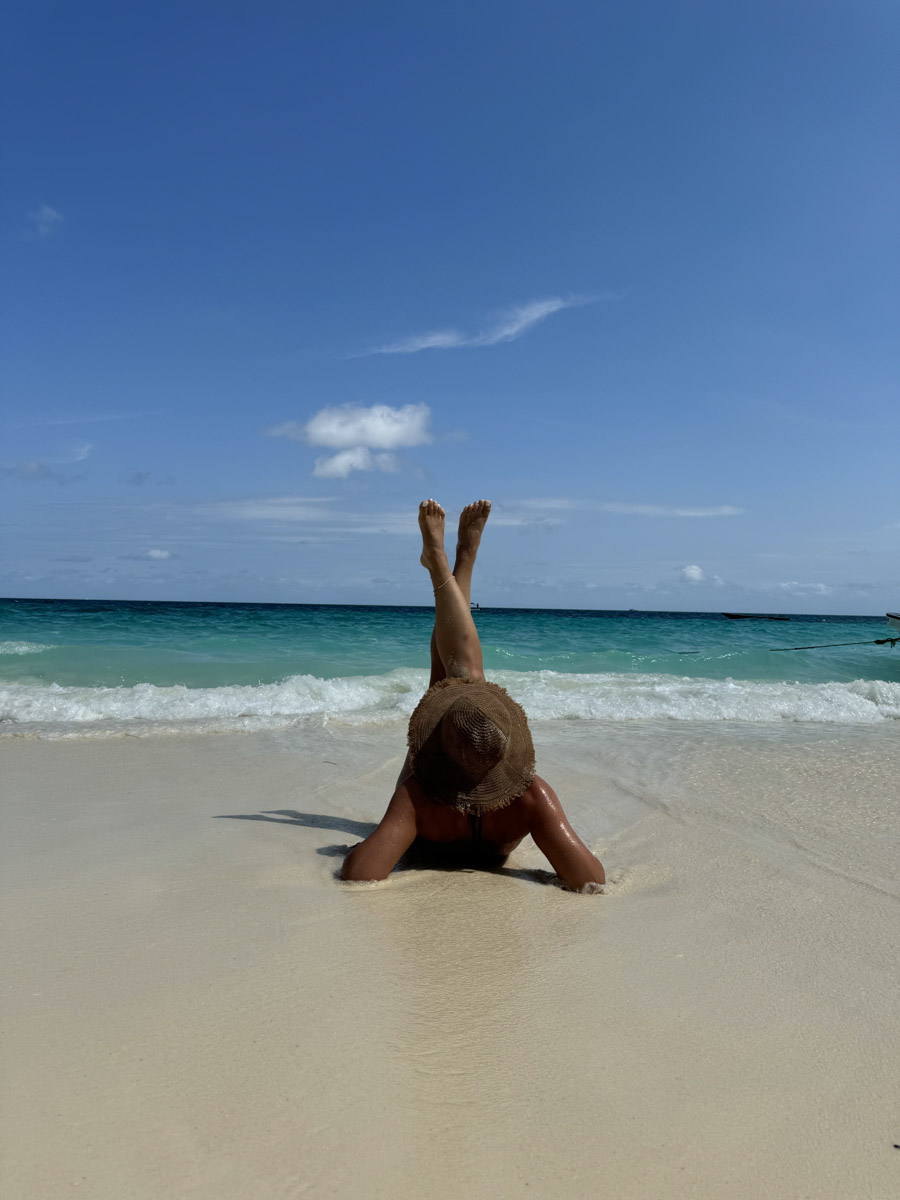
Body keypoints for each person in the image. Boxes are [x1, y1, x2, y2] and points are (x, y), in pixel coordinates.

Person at [341, 499, 606, 893]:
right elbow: (590, 881)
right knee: (460, 680)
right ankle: (454, 562)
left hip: (432, 804)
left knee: (456, 680)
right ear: (508, 749)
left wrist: (372, 841)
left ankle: (442, 562)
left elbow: (359, 874)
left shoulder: (420, 793)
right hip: (487, 815)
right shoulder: (530, 796)